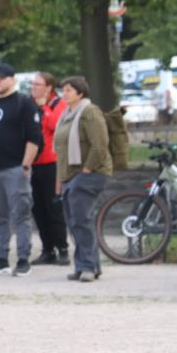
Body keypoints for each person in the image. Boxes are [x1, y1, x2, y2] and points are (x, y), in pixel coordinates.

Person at [0, 63, 42, 277]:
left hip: (15, 168)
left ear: (12, 79)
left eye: (1, 78)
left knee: (20, 214)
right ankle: (1, 257)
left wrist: (25, 165)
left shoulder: (24, 103)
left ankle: (23, 258)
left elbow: (34, 138)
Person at [53, 77, 112, 282]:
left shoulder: (89, 112)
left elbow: (100, 144)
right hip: (70, 174)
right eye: (63, 90)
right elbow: (60, 150)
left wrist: (87, 168)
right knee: (74, 221)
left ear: (80, 93)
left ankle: (87, 266)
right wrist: (60, 179)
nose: (65, 93)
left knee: (81, 220)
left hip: (90, 173)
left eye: (69, 90)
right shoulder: (67, 114)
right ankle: (86, 265)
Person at [29, 72, 69, 265]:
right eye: (33, 84)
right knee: (38, 208)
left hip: (51, 163)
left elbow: (56, 125)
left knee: (53, 206)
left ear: (48, 88)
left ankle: (62, 248)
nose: (33, 87)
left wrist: (44, 107)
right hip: (34, 162)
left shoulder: (57, 104)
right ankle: (47, 249)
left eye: (37, 84)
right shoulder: (29, 104)